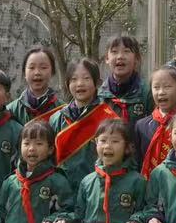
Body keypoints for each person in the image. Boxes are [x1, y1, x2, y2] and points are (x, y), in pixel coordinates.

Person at [51, 57, 125, 185]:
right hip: (62, 191)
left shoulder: (109, 119)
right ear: (67, 84)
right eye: (74, 79)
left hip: (97, 189)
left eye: (86, 78)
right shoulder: (57, 119)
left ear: (97, 83)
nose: (80, 83)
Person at [138, 64, 176, 174]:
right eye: (156, 87)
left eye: (167, 87)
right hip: (149, 186)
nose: (161, 92)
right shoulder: (142, 125)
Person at [98, 32, 154, 126]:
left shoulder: (147, 93)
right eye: (114, 52)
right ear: (107, 59)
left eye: (126, 51)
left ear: (137, 58)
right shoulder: (99, 95)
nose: (120, 56)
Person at [7, 44, 64, 124]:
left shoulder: (63, 111)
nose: (37, 72)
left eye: (43, 67)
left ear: (52, 72)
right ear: (24, 73)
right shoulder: (10, 111)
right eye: (32, 67)